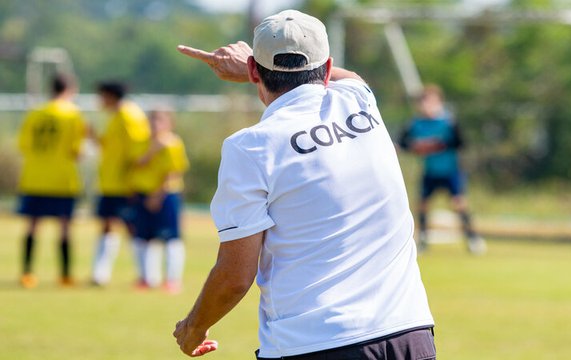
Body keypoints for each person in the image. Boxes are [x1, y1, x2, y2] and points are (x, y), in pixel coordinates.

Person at [173, 10, 436, 359]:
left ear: (255, 71)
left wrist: (194, 327)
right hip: (409, 333)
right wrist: (251, 68)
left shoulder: (250, 147)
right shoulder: (359, 101)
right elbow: (348, 75)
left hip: (315, 343)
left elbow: (235, 276)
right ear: (326, 69)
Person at [16, 73, 86, 288]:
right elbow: (76, 151)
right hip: (62, 179)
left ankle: (27, 274)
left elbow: (23, 145)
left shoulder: (35, 113)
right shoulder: (73, 114)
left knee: (32, 226)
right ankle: (65, 276)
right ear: (70, 89)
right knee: (64, 227)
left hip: (34, 177)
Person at [399, 84, 486, 255]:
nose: (426, 106)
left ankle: (473, 239)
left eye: (430, 102)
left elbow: (461, 143)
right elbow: (403, 143)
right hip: (430, 171)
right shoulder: (416, 124)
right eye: (423, 102)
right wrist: (416, 148)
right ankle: (423, 240)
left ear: (439, 102)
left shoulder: (448, 122)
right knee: (422, 205)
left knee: (459, 204)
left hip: (450, 171)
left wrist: (437, 146)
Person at [90, 81, 150, 286]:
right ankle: (100, 274)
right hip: (109, 182)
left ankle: (146, 275)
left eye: (102, 96)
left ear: (110, 95)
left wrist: (133, 181)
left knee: (133, 227)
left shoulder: (129, 115)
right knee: (107, 225)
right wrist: (93, 137)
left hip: (125, 184)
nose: (100, 101)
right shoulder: (115, 116)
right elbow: (111, 146)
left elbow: (138, 150)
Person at [129, 108, 189, 293]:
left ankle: (173, 280)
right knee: (143, 237)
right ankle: (147, 278)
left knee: (171, 238)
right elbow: (137, 164)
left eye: (160, 121)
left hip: (166, 196)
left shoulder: (173, 143)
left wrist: (157, 195)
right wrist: (153, 149)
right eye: (152, 121)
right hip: (143, 194)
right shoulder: (143, 142)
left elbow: (174, 171)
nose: (155, 125)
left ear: (170, 124)